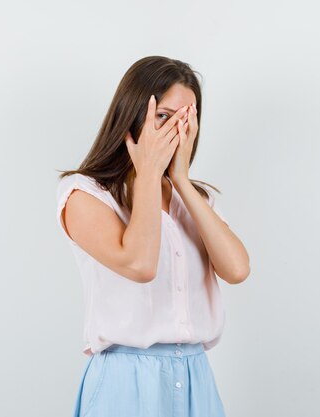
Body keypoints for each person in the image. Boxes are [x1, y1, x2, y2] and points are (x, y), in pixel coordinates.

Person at [55, 56, 251, 417]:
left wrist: (181, 182)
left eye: (186, 117)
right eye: (163, 116)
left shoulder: (194, 200)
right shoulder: (84, 195)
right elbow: (140, 264)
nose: (176, 128)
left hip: (196, 377)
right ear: (131, 114)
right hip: (125, 380)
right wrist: (147, 172)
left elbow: (237, 269)